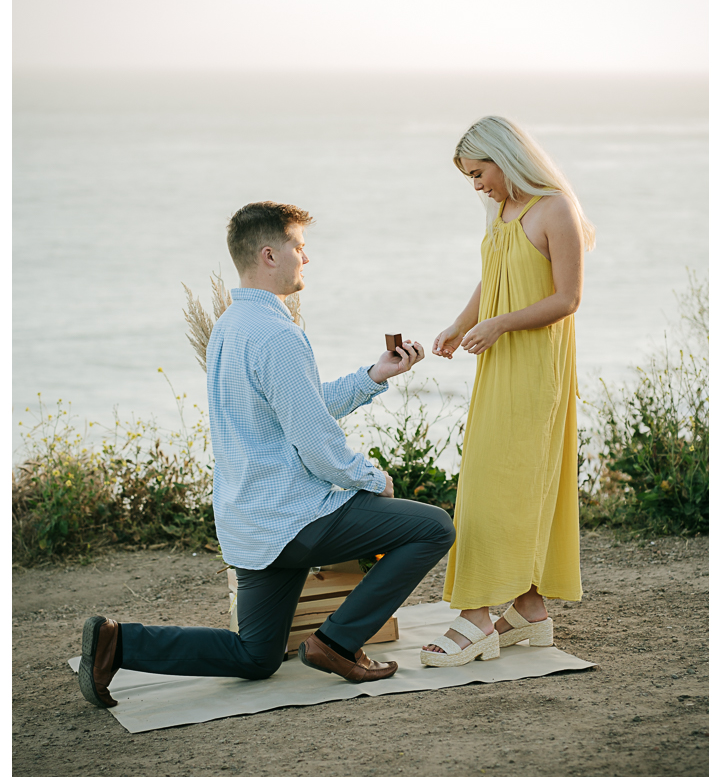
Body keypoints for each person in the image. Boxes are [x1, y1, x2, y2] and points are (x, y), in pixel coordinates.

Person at [79, 201, 455, 708]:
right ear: (269, 254)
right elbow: (316, 443)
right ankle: (337, 642)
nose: (308, 257)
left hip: (250, 522)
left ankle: (118, 642)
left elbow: (297, 407)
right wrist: (370, 477)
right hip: (294, 518)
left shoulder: (229, 328)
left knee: (255, 657)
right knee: (433, 527)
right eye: (300, 246)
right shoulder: (279, 335)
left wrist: (372, 377)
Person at [421, 116, 595, 666]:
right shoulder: (501, 211)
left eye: (479, 172)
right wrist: (461, 321)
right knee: (500, 478)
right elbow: (492, 273)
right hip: (499, 363)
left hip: (536, 367)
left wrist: (500, 324)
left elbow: (567, 299)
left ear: (506, 157)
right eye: (469, 177)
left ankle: (477, 617)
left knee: (499, 484)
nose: (477, 186)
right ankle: (529, 608)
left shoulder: (555, 209)